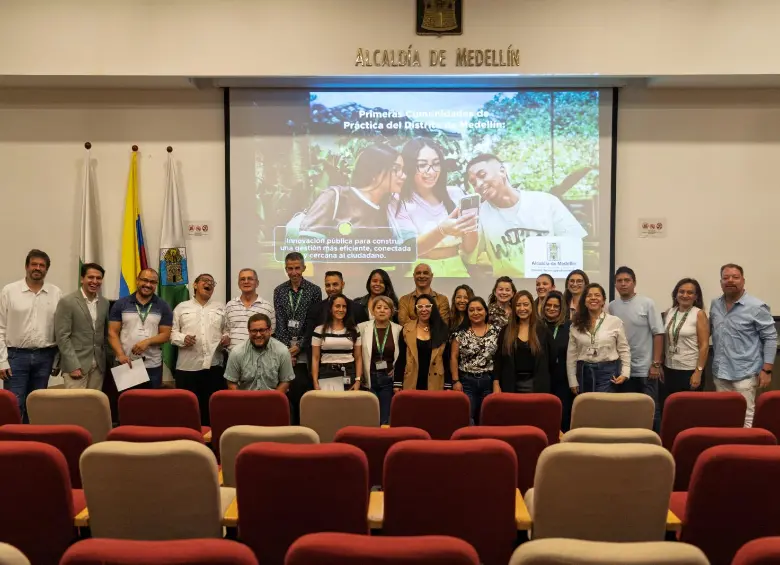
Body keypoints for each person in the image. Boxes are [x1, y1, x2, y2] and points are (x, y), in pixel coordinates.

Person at [464, 154, 587, 277]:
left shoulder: (547, 202)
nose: (478, 184)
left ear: (502, 171)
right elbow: (469, 261)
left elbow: (575, 246)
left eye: (482, 175)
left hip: (549, 285)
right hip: (509, 287)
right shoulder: (479, 216)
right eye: (473, 183)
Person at [389, 137, 477, 277]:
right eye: (422, 165)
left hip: (456, 268)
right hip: (419, 271)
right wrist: (442, 230)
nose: (431, 172)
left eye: (436, 164)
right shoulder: (397, 201)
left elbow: (469, 248)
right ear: (409, 167)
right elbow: (408, 249)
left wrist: (471, 226)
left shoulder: (455, 194)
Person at [710, 263, 777, 428]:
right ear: (720, 282)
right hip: (721, 372)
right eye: (726, 277)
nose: (730, 281)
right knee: (724, 414)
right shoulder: (715, 304)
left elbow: (770, 338)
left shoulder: (757, 307)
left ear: (743, 281)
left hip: (746, 373)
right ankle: (727, 443)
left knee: (746, 416)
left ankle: (744, 443)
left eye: (735, 277)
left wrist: (767, 370)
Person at [0, 249, 61, 421]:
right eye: (34, 264)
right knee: (14, 404)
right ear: (26, 266)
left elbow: (60, 329)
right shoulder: (9, 291)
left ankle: (31, 436)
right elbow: (0, 327)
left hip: (45, 357)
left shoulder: (56, 293)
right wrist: (2, 360)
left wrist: (57, 360)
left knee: (37, 406)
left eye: (42, 265)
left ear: (46, 269)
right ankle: (11, 437)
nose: (37, 268)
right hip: (15, 357)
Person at [298, 144, 405, 240]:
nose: (403, 176)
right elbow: (306, 244)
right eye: (395, 169)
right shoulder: (335, 196)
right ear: (374, 171)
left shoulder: (390, 210)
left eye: (402, 170)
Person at [608, 266, 665, 430]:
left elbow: (658, 333)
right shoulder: (612, 306)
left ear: (634, 283)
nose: (623, 284)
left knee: (650, 409)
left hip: (646, 370)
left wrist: (656, 364)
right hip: (623, 370)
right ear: (615, 284)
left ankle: (653, 441)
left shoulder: (647, 303)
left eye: (627, 280)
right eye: (619, 281)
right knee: (626, 411)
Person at [170, 274, 229, 426]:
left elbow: (227, 330)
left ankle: (210, 439)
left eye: (212, 282)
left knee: (212, 411)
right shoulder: (181, 307)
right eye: (205, 280)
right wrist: (183, 339)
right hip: (187, 368)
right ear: (195, 285)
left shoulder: (221, 308)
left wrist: (226, 338)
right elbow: (172, 333)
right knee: (187, 411)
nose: (209, 283)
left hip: (214, 367)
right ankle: (188, 438)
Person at [272, 252, 322, 424]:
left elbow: (313, 323)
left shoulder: (314, 291)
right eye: (290, 269)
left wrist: (299, 346)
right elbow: (280, 321)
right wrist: (287, 351)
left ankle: (303, 427)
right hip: (284, 349)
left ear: (304, 268)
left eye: (297, 268)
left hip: (305, 348)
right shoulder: (279, 291)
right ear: (286, 269)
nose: (294, 272)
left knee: (302, 389)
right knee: (285, 391)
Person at [108, 268, 173, 389]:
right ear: (137, 280)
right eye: (145, 280)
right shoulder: (121, 304)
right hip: (126, 363)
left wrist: (147, 341)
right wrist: (121, 355)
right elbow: (112, 332)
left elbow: (166, 334)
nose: (148, 284)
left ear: (156, 284)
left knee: (151, 399)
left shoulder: (163, 306)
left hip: (152, 364)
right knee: (127, 399)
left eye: (152, 282)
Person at [54, 262, 109, 391]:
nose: (95, 281)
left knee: (94, 403)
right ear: (82, 279)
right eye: (90, 277)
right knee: (75, 403)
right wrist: (72, 365)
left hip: (98, 366)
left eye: (98, 278)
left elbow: (105, 334)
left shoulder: (104, 303)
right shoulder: (67, 301)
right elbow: (62, 337)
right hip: (76, 366)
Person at [567, 283, 630, 394]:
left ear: (603, 300)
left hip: (608, 373)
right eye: (589, 295)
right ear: (584, 301)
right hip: (584, 372)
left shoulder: (615, 322)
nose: (593, 298)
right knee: (587, 404)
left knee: (604, 404)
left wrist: (625, 373)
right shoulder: (575, 325)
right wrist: (572, 380)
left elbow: (624, 349)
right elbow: (571, 354)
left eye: (597, 295)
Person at [660, 278, 709, 419]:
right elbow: (664, 340)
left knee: (690, 413)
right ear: (676, 294)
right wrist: (661, 365)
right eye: (681, 291)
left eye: (690, 292)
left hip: (690, 371)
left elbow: (704, 345)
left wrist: (698, 372)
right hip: (670, 369)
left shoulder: (699, 314)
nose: (685, 295)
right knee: (670, 411)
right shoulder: (669, 312)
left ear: (696, 296)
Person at [450, 297, 500, 424]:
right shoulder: (460, 333)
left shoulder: (497, 332)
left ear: (486, 311)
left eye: (479, 309)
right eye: (471, 310)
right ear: (467, 313)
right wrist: (455, 381)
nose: (475, 313)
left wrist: (497, 383)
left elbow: (500, 359)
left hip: (489, 381)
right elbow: (454, 357)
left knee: (487, 418)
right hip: (466, 381)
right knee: (467, 417)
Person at [494, 290, 551, 395]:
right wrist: (496, 383)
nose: (522, 308)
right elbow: (498, 360)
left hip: (537, 386)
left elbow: (551, 361)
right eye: (518, 305)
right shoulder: (505, 331)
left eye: (525, 304)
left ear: (532, 306)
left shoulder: (543, 331)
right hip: (510, 385)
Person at [358, 296, 402, 424]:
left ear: (391, 311)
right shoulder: (362, 328)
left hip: (388, 378)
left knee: (385, 417)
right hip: (368, 377)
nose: (382, 310)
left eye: (386, 308)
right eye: (378, 307)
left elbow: (402, 355)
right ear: (372, 311)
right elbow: (357, 354)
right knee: (370, 416)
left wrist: (396, 370)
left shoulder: (398, 329)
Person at [224, 314, 294, 392]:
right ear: (249, 331)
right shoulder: (237, 352)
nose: (258, 335)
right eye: (254, 331)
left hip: (272, 398)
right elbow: (231, 383)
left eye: (262, 330)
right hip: (245, 398)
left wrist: (274, 398)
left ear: (270, 330)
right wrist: (242, 399)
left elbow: (285, 381)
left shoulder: (282, 351)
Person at [395, 294, 449, 392]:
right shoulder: (406, 330)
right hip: (411, 379)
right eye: (420, 306)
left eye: (428, 306)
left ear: (433, 308)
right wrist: (397, 383)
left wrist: (448, 385)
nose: (424, 309)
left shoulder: (442, 330)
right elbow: (402, 357)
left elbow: (446, 360)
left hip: (436, 380)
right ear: (416, 310)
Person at [311, 294, 362, 392]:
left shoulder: (354, 330)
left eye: (344, 306)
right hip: (326, 373)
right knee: (329, 402)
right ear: (330, 309)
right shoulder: (319, 330)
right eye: (337, 306)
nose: (341, 309)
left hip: (349, 372)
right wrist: (315, 381)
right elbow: (315, 358)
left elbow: (358, 357)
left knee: (347, 402)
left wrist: (358, 380)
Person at [542, 290, 574, 431]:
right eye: (548, 305)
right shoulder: (537, 326)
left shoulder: (569, 326)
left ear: (562, 309)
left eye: (556, 306)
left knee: (563, 416)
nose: (552, 308)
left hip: (563, 379)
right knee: (544, 415)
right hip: (542, 378)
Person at [224, 268, 275, 351]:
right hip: (233, 356)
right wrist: (225, 336)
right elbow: (226, 330)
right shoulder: (230, 305)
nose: (246, 281)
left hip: (259, 356)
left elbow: (271, 333)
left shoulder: (267, 307)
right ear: (238, 284)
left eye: (250, 279)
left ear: (257, 283)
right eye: (242, 279)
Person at [304, 271, 358, 342]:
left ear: (343, 284)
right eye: (328, 285)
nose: (331, 289)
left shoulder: (357, 309)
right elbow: (309, 339)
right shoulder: (314, 309)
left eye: (335, 284)